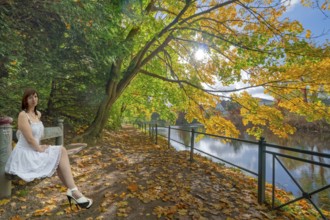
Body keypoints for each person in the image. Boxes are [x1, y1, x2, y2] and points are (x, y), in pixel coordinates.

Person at [5, 88, 93, 209]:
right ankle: (74, 192)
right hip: (25, 154)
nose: (33, 99)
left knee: (60, 153)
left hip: (35, 149)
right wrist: (40, 148)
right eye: (30, 97)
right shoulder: (23, 115)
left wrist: (41, 146)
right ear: (25, 100)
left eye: (35, 96)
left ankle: (73, 191)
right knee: (61, 151)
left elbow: (37, 136)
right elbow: (30, 139)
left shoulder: (38, 114)